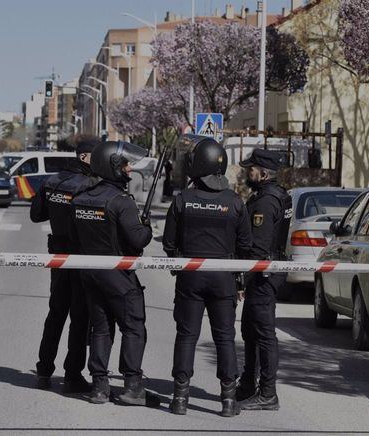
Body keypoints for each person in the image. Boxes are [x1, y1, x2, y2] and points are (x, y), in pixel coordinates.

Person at [162, 135, 252, 417]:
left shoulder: (182, 200)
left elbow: (168, 242)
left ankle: (179, 398)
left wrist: (179, 263)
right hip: (223, 277)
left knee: (187, 335)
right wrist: (238, 278)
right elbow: (245, 245)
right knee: (225, 337)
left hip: (191, 276)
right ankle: (227, 400)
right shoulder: (236, 202)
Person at [70, 141, 157, 406]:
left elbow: (74, 238)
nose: (130, 169)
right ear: (113, 167)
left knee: (100, 329)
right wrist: (147, 224)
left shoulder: (81, 199)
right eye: (126, 164)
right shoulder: (121, 202)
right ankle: (132, 386)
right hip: (119, 275)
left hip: (90, 273)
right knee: (133, 327)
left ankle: (99, 387)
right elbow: (139, 240)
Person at [29, 136, 101, 393]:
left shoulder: (52, 181)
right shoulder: (91, 184)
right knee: (80, 317)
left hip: (58, 256)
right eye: (98, 154)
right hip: (81, 256)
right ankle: (72, 375)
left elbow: (36, 215)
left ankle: (44, 370)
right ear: (84, 157)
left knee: (56, 314)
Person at [237, 149, 292, 411]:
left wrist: (242, 277)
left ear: (264, 172)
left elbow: (258, 246)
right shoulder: (276, 194)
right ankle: (248, 384)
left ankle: (267, 392)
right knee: (250, 330)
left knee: (263, 332)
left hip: (264, 273)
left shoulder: (266, 201)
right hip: (266, 271)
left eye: (251, 169)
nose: (248, 172)